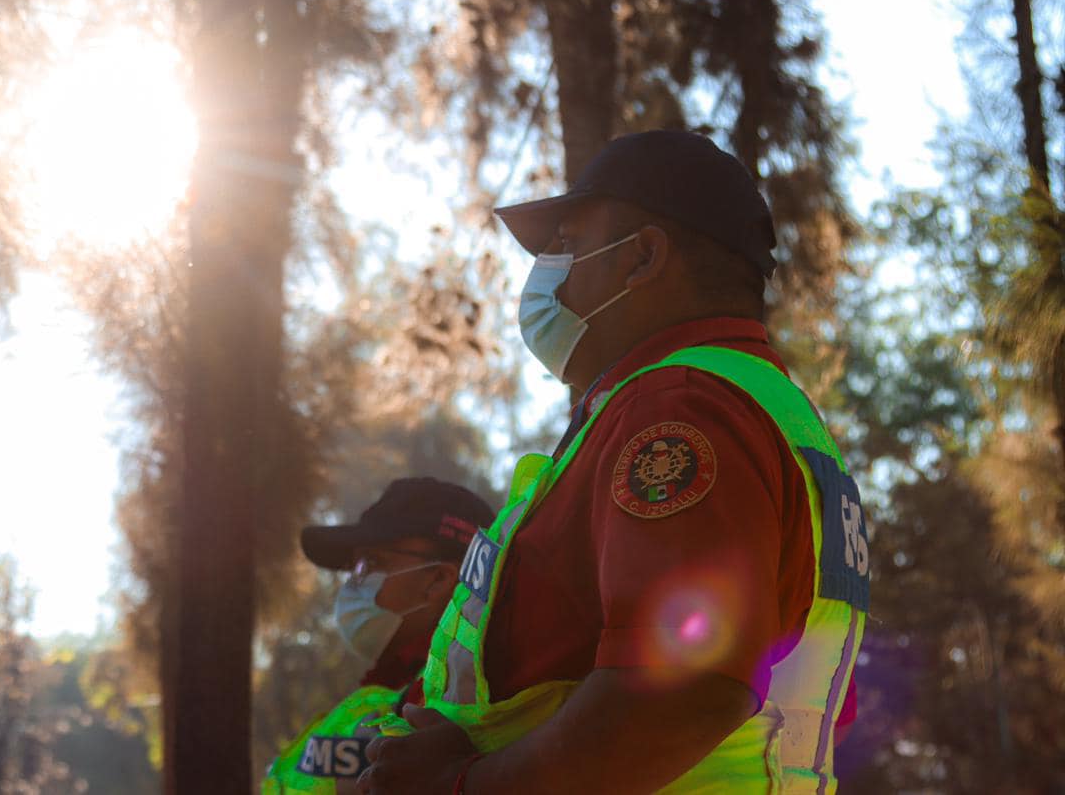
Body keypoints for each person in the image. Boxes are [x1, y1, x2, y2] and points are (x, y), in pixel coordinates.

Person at [357, 130, 869, 794]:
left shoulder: (680, 408)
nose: (547, 273)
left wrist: (462, 786)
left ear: (643, 258)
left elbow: (683, 691)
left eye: (565, 243)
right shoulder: (754, 404)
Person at [262, 477, 496, 794]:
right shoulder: (388, 691)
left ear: (438, 580)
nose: (352, 582)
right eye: (354, 566)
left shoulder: (455, 701)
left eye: (372, 562)